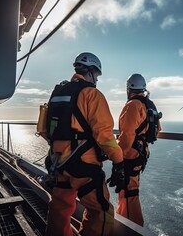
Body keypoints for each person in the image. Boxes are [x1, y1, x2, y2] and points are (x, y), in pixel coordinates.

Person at [44, 52, 125, 236]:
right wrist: (119, 161)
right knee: (101, 212)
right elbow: (105, 136)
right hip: (83, 167)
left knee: (59, 210)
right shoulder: (92, 94)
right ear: (90, 72)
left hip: (58, 163)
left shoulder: (59, 93)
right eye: (96, 76)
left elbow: (46, 130)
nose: (96, 80)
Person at [116, 73, 162, 226]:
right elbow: (157, 130)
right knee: (131, 189)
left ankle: (132, 228)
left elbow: (127, 134)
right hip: (141, 154)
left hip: (129, 156)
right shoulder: (150, 105)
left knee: (129, 193)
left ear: (129, 89)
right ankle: (123, 222)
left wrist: (116, 155)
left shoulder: (132, 105)